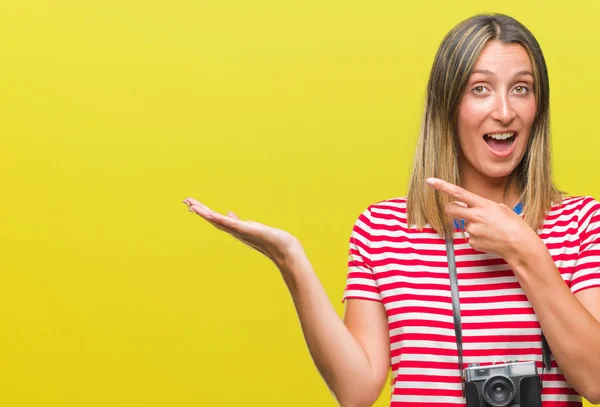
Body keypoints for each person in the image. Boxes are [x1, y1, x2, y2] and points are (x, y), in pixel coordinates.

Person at [183, 13, 600, 407]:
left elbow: (596, 381)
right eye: (480, 88)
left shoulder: (580, 223)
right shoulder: (381, 229)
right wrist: (290, 260)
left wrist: (525, 250)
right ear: (447, 106)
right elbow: (357, 390)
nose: (505, 111)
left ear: (538, 108)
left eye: (521, 88)